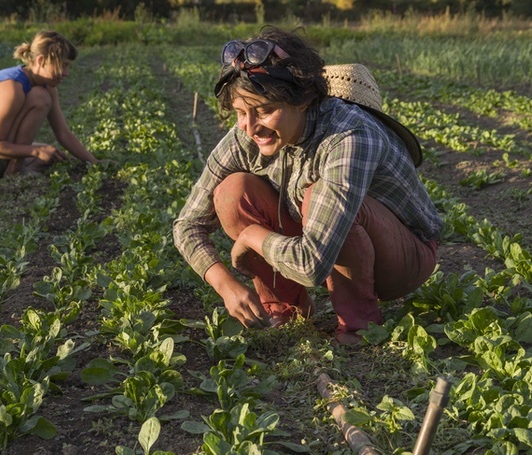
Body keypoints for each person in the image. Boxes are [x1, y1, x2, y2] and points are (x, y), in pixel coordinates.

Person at [172, 27, 443, 345]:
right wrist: (224, 284)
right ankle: (285, 310)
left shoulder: (349, 137)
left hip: (402, 259)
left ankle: (359, 326)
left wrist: (251, 237)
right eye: (241, 112)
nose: (250, 126)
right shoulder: (246, 135)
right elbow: (187, 225)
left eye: (265, 110)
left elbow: (312, 265)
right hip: (321, 244)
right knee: (233, 191)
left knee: (318, 195)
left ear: (303, 101)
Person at [0, 30, 98, 177]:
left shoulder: (48, 86)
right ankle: (15, 170)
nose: (66, 73)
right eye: (62, 65)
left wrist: (95, 163)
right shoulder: (13, 89)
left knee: (53, 155)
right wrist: (35, 151)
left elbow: (63, 133)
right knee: (40, 98)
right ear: (41, 60)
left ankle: (26, 165)